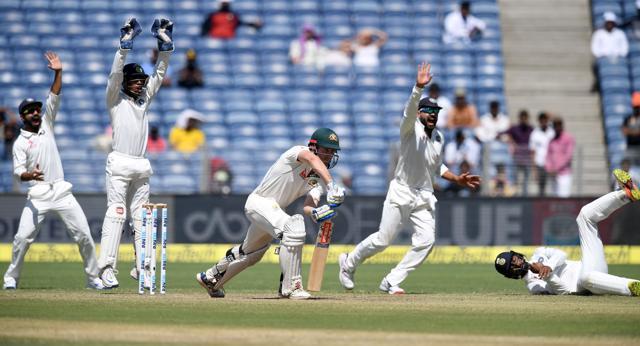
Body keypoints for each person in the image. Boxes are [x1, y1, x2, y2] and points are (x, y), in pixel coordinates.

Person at [338, 63, 481, 294]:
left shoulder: (439, 138)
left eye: (436, 112)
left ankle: (391, 281)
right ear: (419, 114)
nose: (433, 115)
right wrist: (418, 88)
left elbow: (436, 165)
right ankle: (348, 262)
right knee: (383, 240)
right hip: (402, 190)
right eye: (428, 112)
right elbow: (409, 109)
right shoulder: (409, 129)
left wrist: (456, 179)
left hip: (423, 195)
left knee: (426, 240)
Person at [195, 128, 346, 299]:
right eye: (326, 150)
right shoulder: (298, 152)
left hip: (272, 211)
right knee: (293, 229)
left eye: (332, 151)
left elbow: (308, 206)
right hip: (259, 202)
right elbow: (311, 159)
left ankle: (210, 277)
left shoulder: (317, 178)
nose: (329, 155)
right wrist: (332, 185)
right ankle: (291, 287)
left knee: (250, 254)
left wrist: (317, 212)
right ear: (313, 146)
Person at [3, 51, 104, 290]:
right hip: (37, 194)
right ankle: (10, 278)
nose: (36, 113)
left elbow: (54, 94)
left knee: (84, 236)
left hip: (60, 189)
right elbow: (18, 172)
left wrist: (59, 71)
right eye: (30, 111)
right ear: (22, 117)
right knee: (21, 239)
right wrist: (31, 175)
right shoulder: (20, 143)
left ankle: (93, 279)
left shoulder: (47, 124)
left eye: (37, 109)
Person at [98, 18, 174, 289]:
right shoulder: (114, 99)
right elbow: (114, 76)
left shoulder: (144, 99)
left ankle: (144, 267)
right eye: (135, 81)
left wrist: (165, 48)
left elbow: (160, 75)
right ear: (126, 81)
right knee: (117, 213)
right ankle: (106, 269)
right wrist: (124, 49)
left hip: (141, 165)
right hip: (119, 162)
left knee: (143, 218)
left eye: (141, 81)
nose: (140, 84)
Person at [494, 169, 640, 297]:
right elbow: (564, 291)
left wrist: (548, 266)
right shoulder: (534, 286)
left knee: (584, 216)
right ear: (511, 274)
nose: (516, 262)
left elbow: (561, 255)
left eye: (514, 259)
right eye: (511, 265)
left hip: (590, 264)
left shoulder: (539, 252)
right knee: (586, 278)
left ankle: (626, 194)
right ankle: (632, 286)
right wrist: (547, 276)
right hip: (589, 284)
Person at [503, 109, 533, 196]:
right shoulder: (514, 128)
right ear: (519, 118)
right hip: (517, 157)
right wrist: (511, 141)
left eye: (525, 118)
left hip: (527, 158)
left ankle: (525, 196)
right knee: (515, 178)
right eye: (522, 118)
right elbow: (503, 133)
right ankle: (515, 195)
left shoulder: (531, 129)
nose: (524, 120)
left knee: (526, 180)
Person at [545, 117, 575, 197]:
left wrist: (556, 168)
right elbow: (548, 156)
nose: (557, 127)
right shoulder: (551, 140)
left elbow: (568, 157)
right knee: (554, 199)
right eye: (555, 125)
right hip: (553, 175)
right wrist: (549, 168)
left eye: (559, 125)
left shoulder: (568, 138)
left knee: (563, 198)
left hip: (564, 174)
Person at [529, 112, 555, 196]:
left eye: (545, 119)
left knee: (552, 187)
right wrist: (534, 169)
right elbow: (532, 152)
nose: (543, 121)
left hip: (551, 164)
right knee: (541, 188)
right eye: (542, 119)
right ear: (539, 120)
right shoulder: (534, 133)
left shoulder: (552, 132)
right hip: (540, 164)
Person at [622, 91, 640, 166]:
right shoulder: (628, 118)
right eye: (636, 107)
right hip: (630, 148)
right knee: (626, 166)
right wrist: (636, 132)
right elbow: (624, 131)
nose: (637, 110)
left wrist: (631, 131)